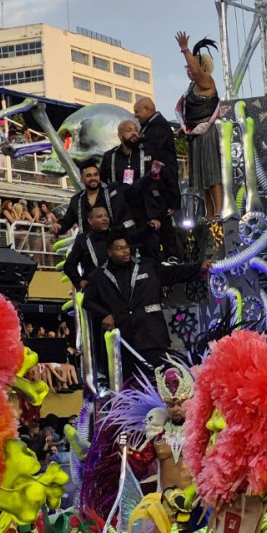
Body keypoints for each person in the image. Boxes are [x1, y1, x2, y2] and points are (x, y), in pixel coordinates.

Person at [82, 231, 212, 379]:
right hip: (123, 341)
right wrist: (104, 314)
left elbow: (173, 273)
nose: (125, 251)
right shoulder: (99, 276)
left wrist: (198, 267)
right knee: (129, 383)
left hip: (151, 335)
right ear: (109, 252)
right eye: (119, 248)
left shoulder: (147, 265)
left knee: (160, 380)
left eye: (127, 247)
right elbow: (87, 301)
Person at [175, 31, 223, 220]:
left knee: (211, 172)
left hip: (207, 131)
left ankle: (218, 211)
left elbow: (196, 73)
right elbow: (190, 111)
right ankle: (209, 213)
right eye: (186, 67)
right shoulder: (191, 88)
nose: (189, 70)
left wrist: (185, 49)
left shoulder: (206, 80)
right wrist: (183, 128)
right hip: (194, 134)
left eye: (191, 65)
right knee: (202, 177)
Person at [133, 96, 181, 257]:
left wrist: (174, 198)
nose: (135, 116)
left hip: (161, 188)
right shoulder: (149, 126)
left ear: (147, 109)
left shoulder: (158, 126)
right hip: (152, 187)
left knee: (164, 230)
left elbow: (150, 151)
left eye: (137, 112)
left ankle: (172, 258)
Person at [54, 161, 134, 236]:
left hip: (115, 238)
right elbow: (67, 221)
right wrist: (58, 226)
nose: (93, 178)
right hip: (88, 242)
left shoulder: (114, 190)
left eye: (96, 175)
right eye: (88, 176)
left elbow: (129, 190)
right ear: (81, 179)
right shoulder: (77, 200)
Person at [62, 203, 112, 290]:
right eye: (99, 216)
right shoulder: (83, 240)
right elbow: (69, 265)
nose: (104, 219)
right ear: (90, 221)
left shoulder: (117, 236)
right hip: (94, 289)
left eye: (106, 216)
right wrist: (79, 281)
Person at [99, 119, 142, 188]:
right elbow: (102, 181)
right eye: (129, 130)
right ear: (120, 136)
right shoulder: (109, 156)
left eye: (136, 130)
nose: (134, 133)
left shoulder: (146, 153)